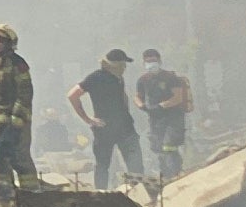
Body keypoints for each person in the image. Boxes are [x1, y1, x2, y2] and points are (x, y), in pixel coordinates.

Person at [67, 49, 144, 189]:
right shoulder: (95, 77)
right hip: (104, 128)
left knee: (135, 165)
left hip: (125, 128)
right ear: (113, 65)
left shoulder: (119, 78)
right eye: (122, 64)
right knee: (103, 166)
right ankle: (101, 196)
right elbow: (73, 95)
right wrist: (88, 119)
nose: (124, 68)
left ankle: (139, 194)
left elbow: (123, 98)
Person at [0, 25, 37, 193]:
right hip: (1, 120)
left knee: (19, 158)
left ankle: (32, 193)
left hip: (16, 120)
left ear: (10, 43)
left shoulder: (18, 64)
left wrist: (17, 119)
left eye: (0, 40)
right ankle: (5, 189)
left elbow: (25, 92)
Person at [135, 50, 194, 178]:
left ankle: (176, 173)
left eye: (153, 61)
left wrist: (161, 106)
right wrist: (142, 106)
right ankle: (167, 177)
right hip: (155, 119)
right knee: (159, 148)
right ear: (143, 63)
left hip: (173, 118)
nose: (151, 64)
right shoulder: (143, 80)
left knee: (169, 145)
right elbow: (138, 97)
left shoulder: (170, 77)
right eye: (148, 61)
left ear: (159, 61)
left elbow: (178, 97)